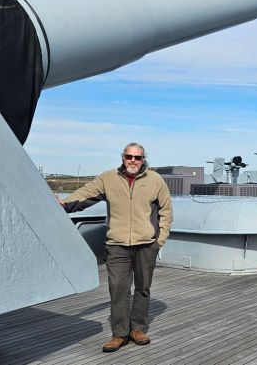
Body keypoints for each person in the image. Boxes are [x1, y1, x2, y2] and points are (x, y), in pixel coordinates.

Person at [58, 142, 173, 353]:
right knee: (118, 288)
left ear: (143, 159)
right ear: (123, 157)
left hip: (146, 245)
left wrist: (159, 241)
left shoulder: (155, 180)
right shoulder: (108, 178)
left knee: (143, 288)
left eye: (137, 157)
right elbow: (86, 194)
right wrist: (64, 204)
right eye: (129, 156)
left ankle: (137, 329)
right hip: (117, 245)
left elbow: (166, 211)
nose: (133, 161)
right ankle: (119, 333)